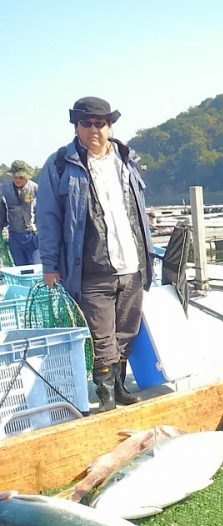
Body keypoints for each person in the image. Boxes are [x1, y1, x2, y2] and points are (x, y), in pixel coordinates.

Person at [36, 96, 154, 412]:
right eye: (86, 123)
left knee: (126, 333)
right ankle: (107, 400)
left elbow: (137, 210)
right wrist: (49, 264)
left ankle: (119, 386)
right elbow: (47, 217)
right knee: (102, 340)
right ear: (76, 126)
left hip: (131, 264)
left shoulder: (126, 160)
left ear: (109, 125)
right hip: (90, 271)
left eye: (99, 123)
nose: (93, 130)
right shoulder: (60, 164)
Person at [0, 160, 40, 266]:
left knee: (34, 266)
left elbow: (43, 210)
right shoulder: (4, 188)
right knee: (19, 267)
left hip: (32, 235)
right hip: (13, 235)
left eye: (21, 177)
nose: (17, 180)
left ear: (27, 176)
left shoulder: (35, 188)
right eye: (15, 177)